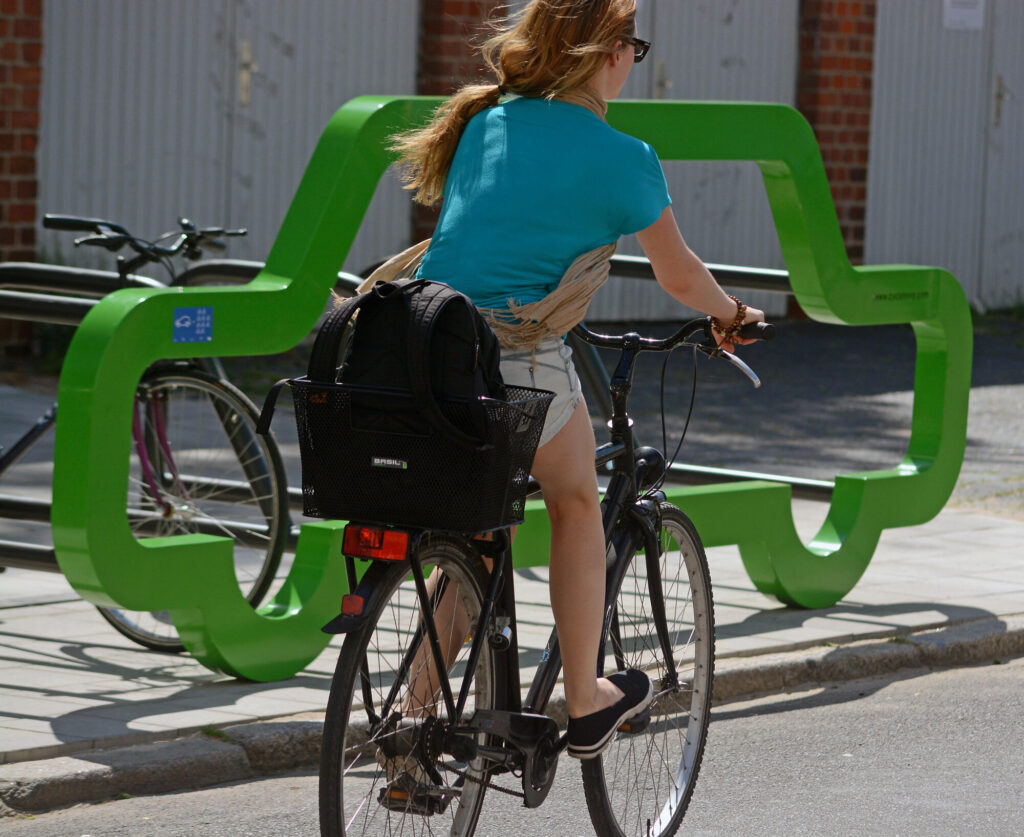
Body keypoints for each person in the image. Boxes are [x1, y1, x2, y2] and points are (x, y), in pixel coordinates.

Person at [390, 0, 764, 761]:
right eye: (632, 43)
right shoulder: (624, 156)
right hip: (516, 357)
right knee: (573, 499)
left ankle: (408, 724)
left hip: (425, 345)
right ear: (606, 52)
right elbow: (679, 273)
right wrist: (730, 313)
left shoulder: (485, 121)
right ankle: (588, 698)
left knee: (479, 538)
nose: (635, 58)